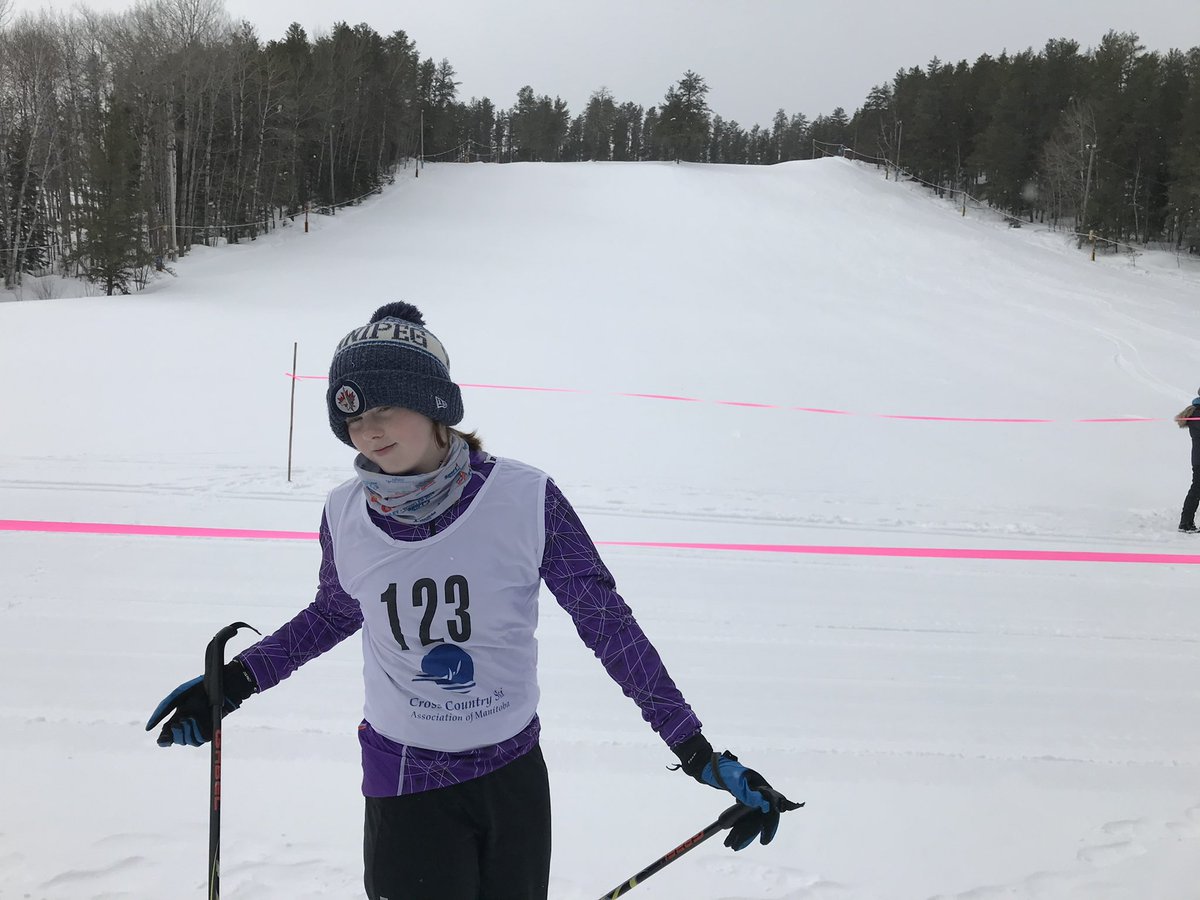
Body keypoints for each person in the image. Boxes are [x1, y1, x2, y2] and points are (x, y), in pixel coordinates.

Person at [146, 301, 799, 900]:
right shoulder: (344, 513)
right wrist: (233, 682)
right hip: (406, 778)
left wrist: (696, 750)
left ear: (434, 406)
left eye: (384, 411)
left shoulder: (525, 500)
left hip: (512, 773)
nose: (368, 433)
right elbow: (336, 611)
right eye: (352, 418)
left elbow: (606, 624)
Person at [1175, 392, 1200, 533]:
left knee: (1196, 490)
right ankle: (1185, 523)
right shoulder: (1197, 413)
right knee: (1196, 490)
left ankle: (1186, 522)